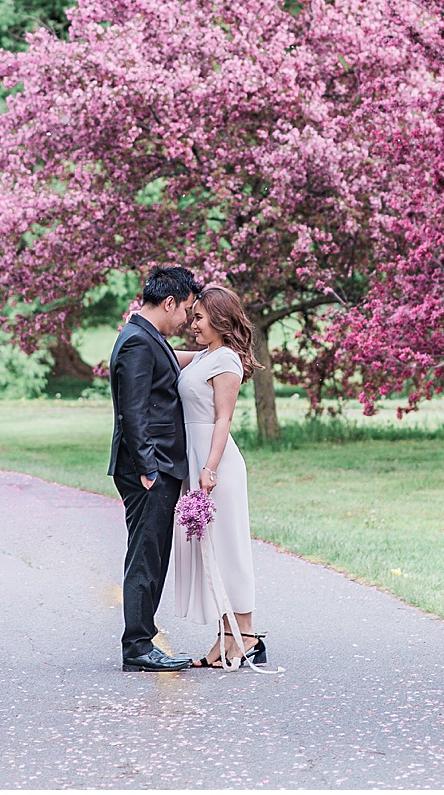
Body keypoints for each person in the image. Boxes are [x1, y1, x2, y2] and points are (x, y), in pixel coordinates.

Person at [162, 284, 266, 669]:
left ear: (220, 321)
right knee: (212, 553)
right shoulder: (206, 355)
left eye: (200, 317)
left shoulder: (227, 363)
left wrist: (209, 468)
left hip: (216, 463)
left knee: (230, 549)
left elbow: (223, 419)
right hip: (196, 459)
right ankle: (226, 636)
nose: (194, 323)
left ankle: (248, 634)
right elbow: (166, 356)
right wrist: (139, 331)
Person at [108, 265, 202, 672]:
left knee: (153, 553)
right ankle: (138, 647)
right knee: (146, 556)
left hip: (159, 465)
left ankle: (142, 641)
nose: (187, 319)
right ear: (169, 302)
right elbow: (133, 411)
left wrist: (217, 355)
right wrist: (148, 467)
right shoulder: (137, 344)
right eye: (187, 310)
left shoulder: (147, 337)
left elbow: (172, 364)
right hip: (150, 468)